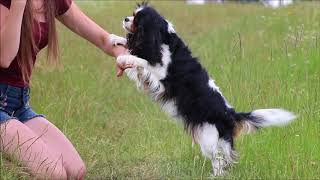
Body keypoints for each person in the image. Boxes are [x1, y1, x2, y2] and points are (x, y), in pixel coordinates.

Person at [0, 0, 127, 179]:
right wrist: (18, 4)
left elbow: (103, 39)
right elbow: (4, 57)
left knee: (76, 171)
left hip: (18, 103)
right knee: (54, 174)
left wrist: (122, 54)